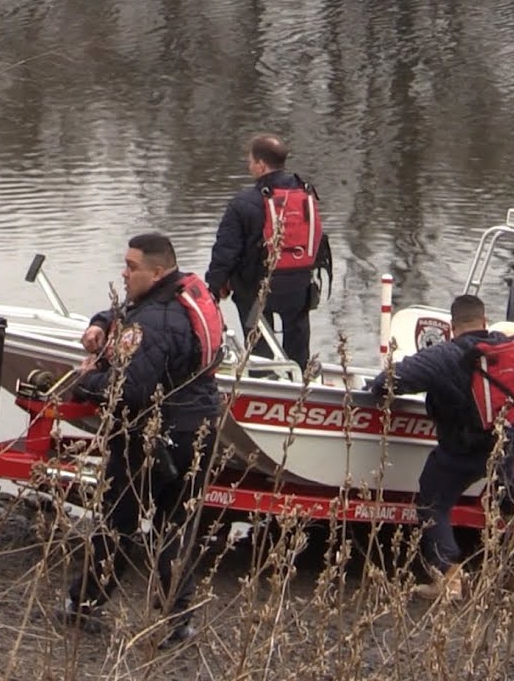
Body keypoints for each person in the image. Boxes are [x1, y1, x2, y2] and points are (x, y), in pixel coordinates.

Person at [60, 232, 224, 648]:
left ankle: (83, 604)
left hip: (153, 436)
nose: (124, 271)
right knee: (176, 527)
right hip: (200, 429)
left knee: (117, 522)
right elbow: (132, 314)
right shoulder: (186, 296)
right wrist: (101, 323)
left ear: (157, 270)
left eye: (131, 267)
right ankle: (179, 620)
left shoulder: (152, 321)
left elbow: (129, 390)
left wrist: (85, 381)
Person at [364, 294, 514, 601]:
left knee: (433, 503)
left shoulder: (443, 356)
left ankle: (450, 580)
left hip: (463, 450)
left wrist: (375, 392)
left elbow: (389, 381)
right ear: (485, 321)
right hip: (508, 443)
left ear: (452, 327)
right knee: (507, 486)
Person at [205, 133, 331, 372]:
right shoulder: (305, 193)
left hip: (256, 289)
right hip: (300, 284)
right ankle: (301, 381)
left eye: (250, 161)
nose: (248, 165)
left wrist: (214, 287)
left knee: (259, 350)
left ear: (261, 165)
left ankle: (263, 382)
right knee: (298, 343)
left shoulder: (245, 202)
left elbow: (226, 251)